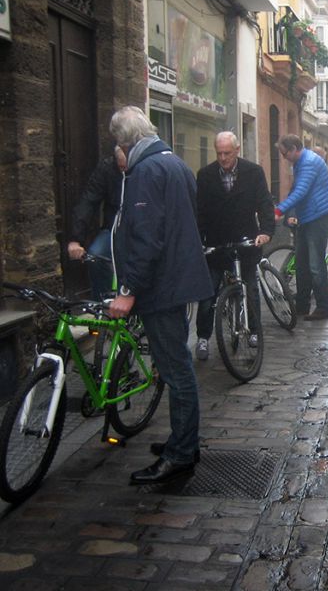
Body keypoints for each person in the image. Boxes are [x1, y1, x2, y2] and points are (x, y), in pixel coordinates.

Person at [108, 106, 213, 485]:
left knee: (176, 370)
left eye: (116, 146)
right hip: (178, 279)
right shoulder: (175, 163)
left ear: (124, 141)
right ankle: (183, 440)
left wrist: (128, 290)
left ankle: (181, 454)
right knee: (177, 366)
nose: (116, 155)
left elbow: (147, 238)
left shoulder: (146, 171)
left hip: (163, 285)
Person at [194, 131, 275, 360]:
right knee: (208, 294)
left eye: (227, 153)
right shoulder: (206, 175)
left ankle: (254, 331)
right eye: (219, 153)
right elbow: (199, 212)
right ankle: (202, 337)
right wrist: (199, 241)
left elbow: (265, 203)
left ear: (237, 151)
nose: (223, 158)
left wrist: (266, 231)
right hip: (217, 244)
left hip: (245, 241)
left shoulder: (253, 172)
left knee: (250, 287)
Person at [275, 135, 328, 320]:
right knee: (302, 263)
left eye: (285, 153)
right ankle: (302, 305)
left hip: (319, 217)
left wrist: (279, 210)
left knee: (315, 264)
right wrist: (291, 213)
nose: (284, 157)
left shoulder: (309, 162)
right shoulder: (301, 161)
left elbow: (301, 191)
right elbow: (298, 190)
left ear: (295, 148)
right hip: (308, 217)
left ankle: (322, 308)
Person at [67, 145, 127, 299]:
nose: (123, 170)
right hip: (113, 227)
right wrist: (75, 239)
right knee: (96, 256)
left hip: (138, 229)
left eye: (126, 166)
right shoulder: (107, 169)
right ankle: (103, 305)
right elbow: (88, 201)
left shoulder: (144, 168)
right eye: (120, 166)